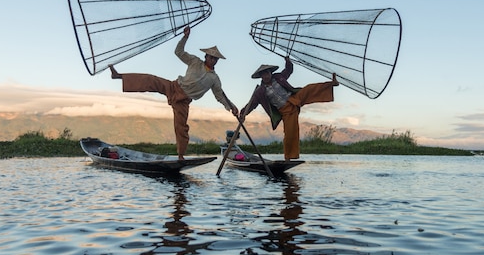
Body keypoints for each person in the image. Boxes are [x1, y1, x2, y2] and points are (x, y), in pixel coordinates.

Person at [109, 26, 238, 160]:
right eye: (211, 57)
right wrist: (185, 37)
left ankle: (180, 155)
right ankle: (118, 76)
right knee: (150, 80)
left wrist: (231, 107)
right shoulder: (195, 61)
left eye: (215, 59)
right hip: (174, 86)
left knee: (181, 127)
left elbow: (220, 96)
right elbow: (179, 52)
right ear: (206, 56)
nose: (213, 60)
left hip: (184, 100)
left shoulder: (214, 79)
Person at [239, 57, 338, 161]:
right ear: (261, 77)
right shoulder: (260, 91)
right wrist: (243, 114)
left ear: (270, 73)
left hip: (294, 98)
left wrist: (287, 61)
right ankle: (288, 157)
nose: (266, 76)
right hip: (285, 111)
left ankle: (332, 84)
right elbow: (251, 104)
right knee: (290, 133)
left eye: (267, 73)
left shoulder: (278, 77)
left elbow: (288, 70)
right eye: (263, 74)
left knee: (309, 89)